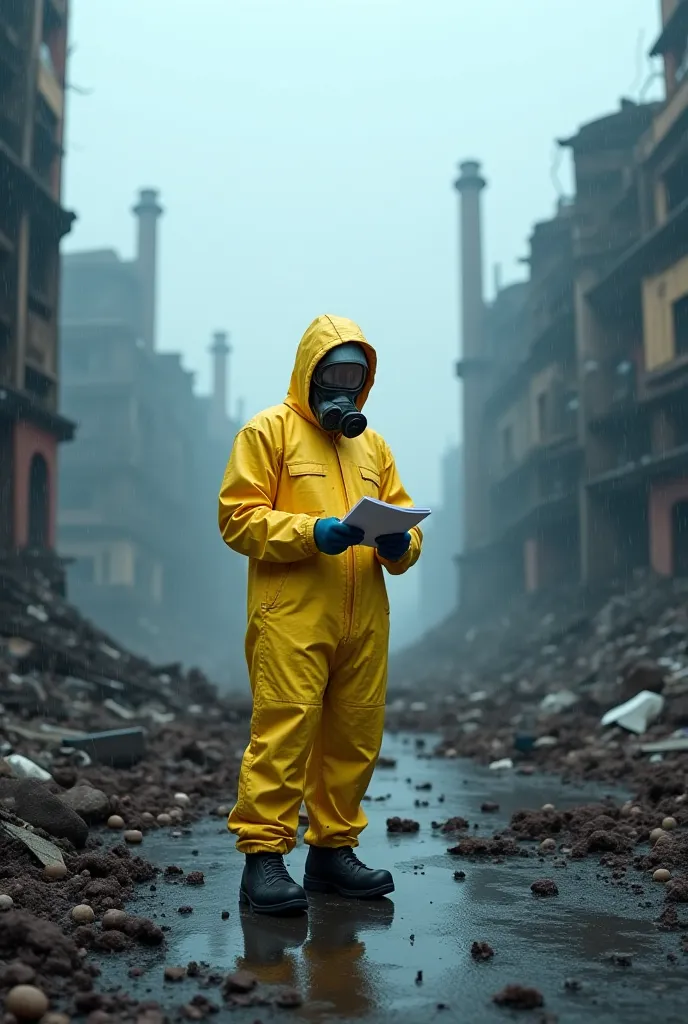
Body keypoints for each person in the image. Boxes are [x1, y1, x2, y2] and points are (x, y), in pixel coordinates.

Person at [218, 314, 422, 916]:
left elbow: (405, 523)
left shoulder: (373, 446)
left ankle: (332, 853)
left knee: (355, 738)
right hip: (292, 614)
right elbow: (238, 518)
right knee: (282, 733)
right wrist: (313, 531)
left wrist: (398, 544)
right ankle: (262, 860)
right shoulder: (268, 434)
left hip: (364, 618)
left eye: (355, 379)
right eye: (332, 375)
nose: (343, 389)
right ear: (308, 373)